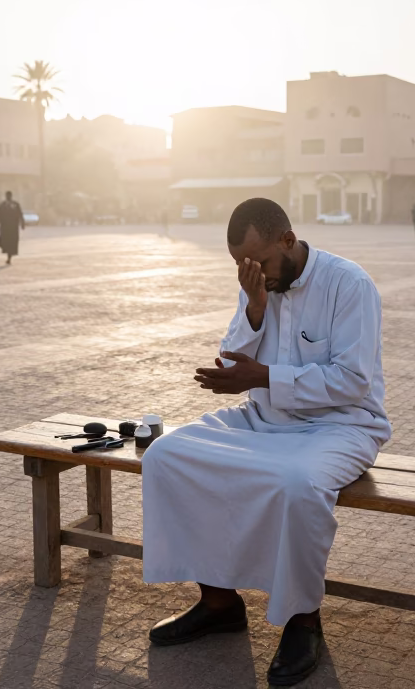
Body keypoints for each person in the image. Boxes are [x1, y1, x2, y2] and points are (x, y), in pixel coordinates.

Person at [141, 197, 389, 687]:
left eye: (260, 263)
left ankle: (303, 620)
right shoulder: (258, 284)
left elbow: (352, 381)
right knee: (167, 455)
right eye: (241, 265)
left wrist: (267, 377)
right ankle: (218, 601)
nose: (253, 273)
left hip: (341, 426)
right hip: (263, 418)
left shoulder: (349, 284)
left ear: (288, 241)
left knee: (297, 484)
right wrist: (254, 309)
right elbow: (236, 363)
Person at [0, 191, 25, 264]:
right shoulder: (2, 205)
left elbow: (20, 214)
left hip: (13, 227)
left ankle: (9, 257)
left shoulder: (15, 205)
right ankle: (8, 254)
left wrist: (22, 223)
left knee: (11, 242)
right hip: (5, 227)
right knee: (4, 241)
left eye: (9, 196)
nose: (8, 197)